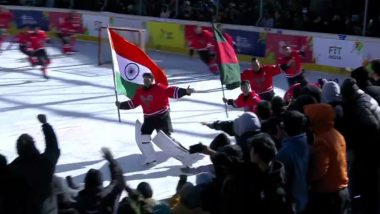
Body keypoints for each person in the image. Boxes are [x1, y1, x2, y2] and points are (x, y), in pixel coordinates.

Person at [116, 73, 195, 165]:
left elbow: (172, 91)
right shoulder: (140, 92)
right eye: (144, 79)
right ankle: (150, 157)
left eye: (148, 79)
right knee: (143, 137)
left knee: (166, 139)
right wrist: (121, 105)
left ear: (152, 79)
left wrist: (185, 91)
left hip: (162, 117)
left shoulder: (160, 88)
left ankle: (185, 154)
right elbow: (133, 103)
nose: (145, 81)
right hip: (148, 118)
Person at [8, 114, 61, 214]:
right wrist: (46, 125)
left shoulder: (11, 169)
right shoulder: (45, 163)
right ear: (33, 146)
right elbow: (53, 147)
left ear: (18, 150)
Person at [304, 103, 350, 214]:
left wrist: (305, 179)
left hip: (329, 195)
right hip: (342, 189)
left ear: (317, 121)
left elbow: (320, 170)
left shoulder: (321, 141)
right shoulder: (337, 134)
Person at [276, 110, 310, 213]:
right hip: (310, 199)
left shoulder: (285, 153)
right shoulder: (309, 142)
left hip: (296, 204)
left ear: (284, 128)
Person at [75, 147, 125, 214]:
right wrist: (111, 161)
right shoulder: (109, 195)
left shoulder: (78, 200)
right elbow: (118, 181)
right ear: (100, 182)